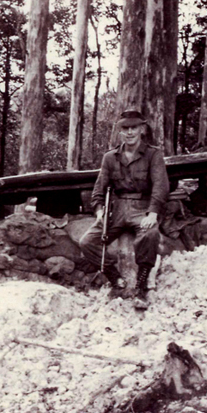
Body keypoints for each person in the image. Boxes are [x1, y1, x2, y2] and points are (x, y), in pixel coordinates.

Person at [79, 109, 170, 310]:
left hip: (142, 207)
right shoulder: (110, 157)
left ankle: (141, 286)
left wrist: (153, 213)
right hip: (117, 209)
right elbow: (99, 188)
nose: (129, 132)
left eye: (134, 128)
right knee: (87, 242)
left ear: (142, 129)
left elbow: (160, 186)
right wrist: (100, 212)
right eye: (125, 128)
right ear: (120, 131)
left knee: (150, 235)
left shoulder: (153, 155)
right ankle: (115, 278)